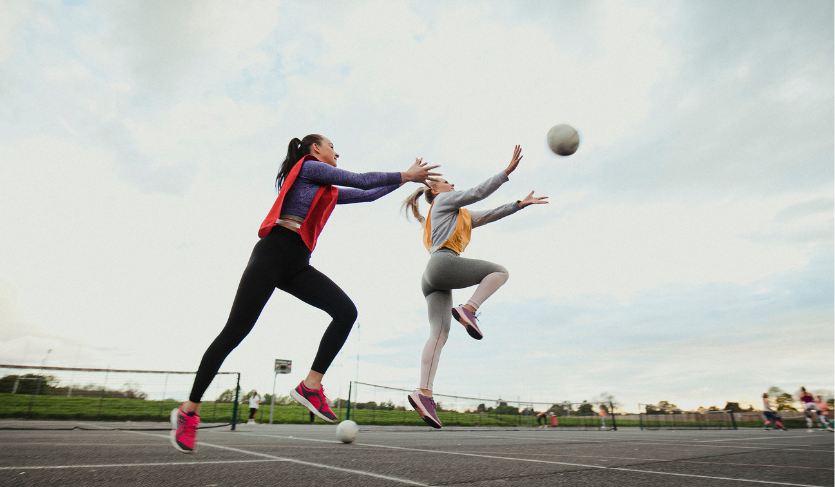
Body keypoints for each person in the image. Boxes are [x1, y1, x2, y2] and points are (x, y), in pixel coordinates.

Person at [170, 134, 439, 453]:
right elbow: (363, 180)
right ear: (316, 149)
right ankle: (189, 412)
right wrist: (407, 175)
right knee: (235, 332)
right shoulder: (310, 168)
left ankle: (311, 385)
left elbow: (368, 194)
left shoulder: (325, 190)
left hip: (297, 262)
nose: (336, 152)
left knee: (345, 312)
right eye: (332, 147)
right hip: (272, 254)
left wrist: (407, 181)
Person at [402, 145, 548, 428]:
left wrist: (519, 204)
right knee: (499, 272)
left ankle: (424, 392)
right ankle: (469, 308)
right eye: (447, 182)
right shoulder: (444, 202)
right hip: (444, 264)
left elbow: (489, 214)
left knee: (439, 334)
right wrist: (506, 172)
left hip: (432, 277)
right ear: (436, 190)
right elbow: (478, 192)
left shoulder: (458, 215)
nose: (453, 184)